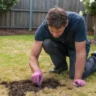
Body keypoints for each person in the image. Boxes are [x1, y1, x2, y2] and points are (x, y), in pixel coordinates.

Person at [29, 7, 96, 87]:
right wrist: (36, 71)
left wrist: (77, 78)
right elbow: (33, 56)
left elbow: (80, 52)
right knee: (47, 43)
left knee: (75, 74)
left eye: (58, 31)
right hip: (62, 45)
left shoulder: (78, 21)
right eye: (51, 31)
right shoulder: (43, 27)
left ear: (66, 23)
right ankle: (61, 67)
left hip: (76, 48)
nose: (54, 34)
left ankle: (95, 58)